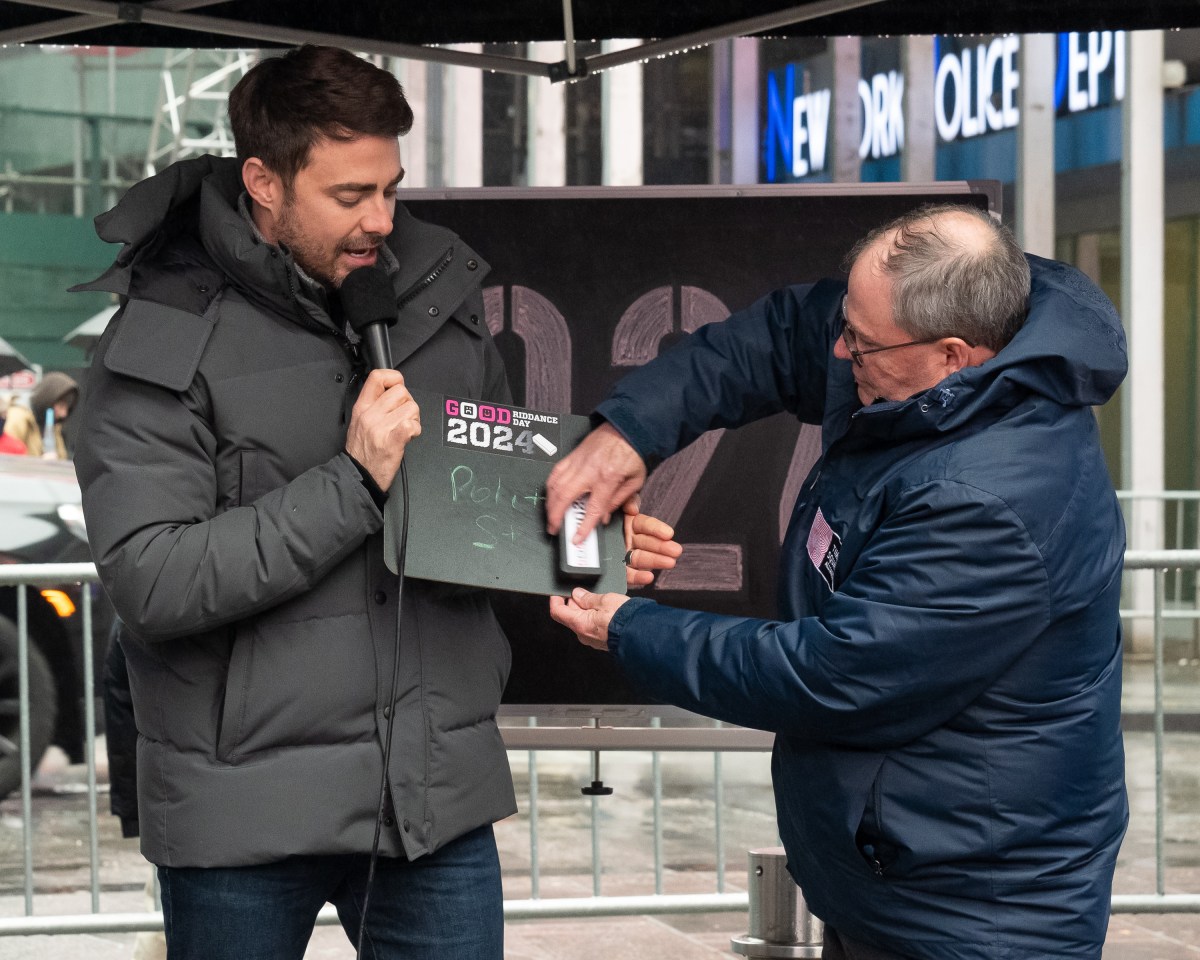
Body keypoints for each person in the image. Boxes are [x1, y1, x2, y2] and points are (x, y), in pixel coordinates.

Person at [73, 45, 675, 960]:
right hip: (244, 810)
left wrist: (596, 539)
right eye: (349, 197)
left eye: (390, 188)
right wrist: (353, 482)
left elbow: (480, 503)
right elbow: (153, 582)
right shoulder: (159, 342)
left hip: (428, 798)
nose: (381, 221)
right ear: (263, 182)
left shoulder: (435, 301)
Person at [545, 204, 1129, 960]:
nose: (838, 348)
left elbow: (833, 675)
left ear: (954, 355)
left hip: (974, 911)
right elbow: (780, 335)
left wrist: (627, 628)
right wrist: (629, 433)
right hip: (897, 870)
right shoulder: (924, 352)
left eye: (859, 341)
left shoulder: (989, 501)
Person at [2, 371, 77, 458]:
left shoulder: (53, 425)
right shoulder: (18, 418)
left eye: (67, 408)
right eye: (61, 406)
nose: (63, 414)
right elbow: (8, 459)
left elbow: (61, 458)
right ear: (48, 399)